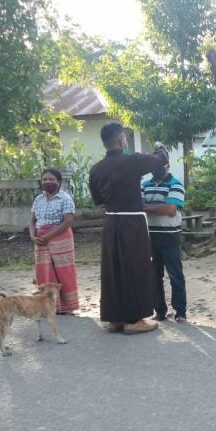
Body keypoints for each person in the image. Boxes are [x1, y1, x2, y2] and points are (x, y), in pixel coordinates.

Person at [88, 123, 169, 335]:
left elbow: (98, 199)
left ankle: (114, 318)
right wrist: (160, 146)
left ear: (105, 143)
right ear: (122, 141)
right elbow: (161, 158)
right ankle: (134, 320)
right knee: (136, 266)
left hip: (111, 221)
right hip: (131, 222)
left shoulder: (96, 169)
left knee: (113, 268)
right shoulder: (132, 161)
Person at [141, 163, 188, 323]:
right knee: (154, 276)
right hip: (150, 238)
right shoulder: (145, 184)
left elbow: (170, 209)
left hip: (170, 237)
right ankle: (159, 311)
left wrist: (146, 206)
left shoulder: (176, 184)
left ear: (167, 166)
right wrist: (159, 207)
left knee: (175, 275)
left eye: (160, 164)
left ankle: (180, 312)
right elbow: (137, 206)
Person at [29, 168, 79, 314]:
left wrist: (48, 236)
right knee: (44, 272)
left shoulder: (65, 198)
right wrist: (33, 236)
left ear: (59, 182)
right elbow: (32, 221)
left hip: (60, 239)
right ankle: (48, 305)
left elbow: (67, 222)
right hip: (40, 240)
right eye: (44, 179)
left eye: (51, 180)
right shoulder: (38, 199)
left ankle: (66, 307)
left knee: (64, 272)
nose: (47, 182)